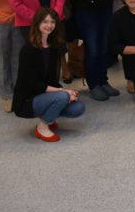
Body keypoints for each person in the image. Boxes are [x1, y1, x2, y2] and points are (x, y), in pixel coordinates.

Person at [12, 8, 85, 142]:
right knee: (62, 96)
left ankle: (49, 117)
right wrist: (63, 92)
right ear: (37, 23)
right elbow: (32, 84)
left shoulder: (53, 47)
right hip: (27, 100)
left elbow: (52, 79)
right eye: (45, 21)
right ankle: (43, 127)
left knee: (78, 107)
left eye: (52, 22)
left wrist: (67, 93)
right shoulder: (28, 49)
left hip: (43, 95)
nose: (49, 25)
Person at [65, 0, 118, 101]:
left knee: (104, 48)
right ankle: (94, 84)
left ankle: (103, 81)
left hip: (105, 11)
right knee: (92, 49)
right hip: (87, 14)